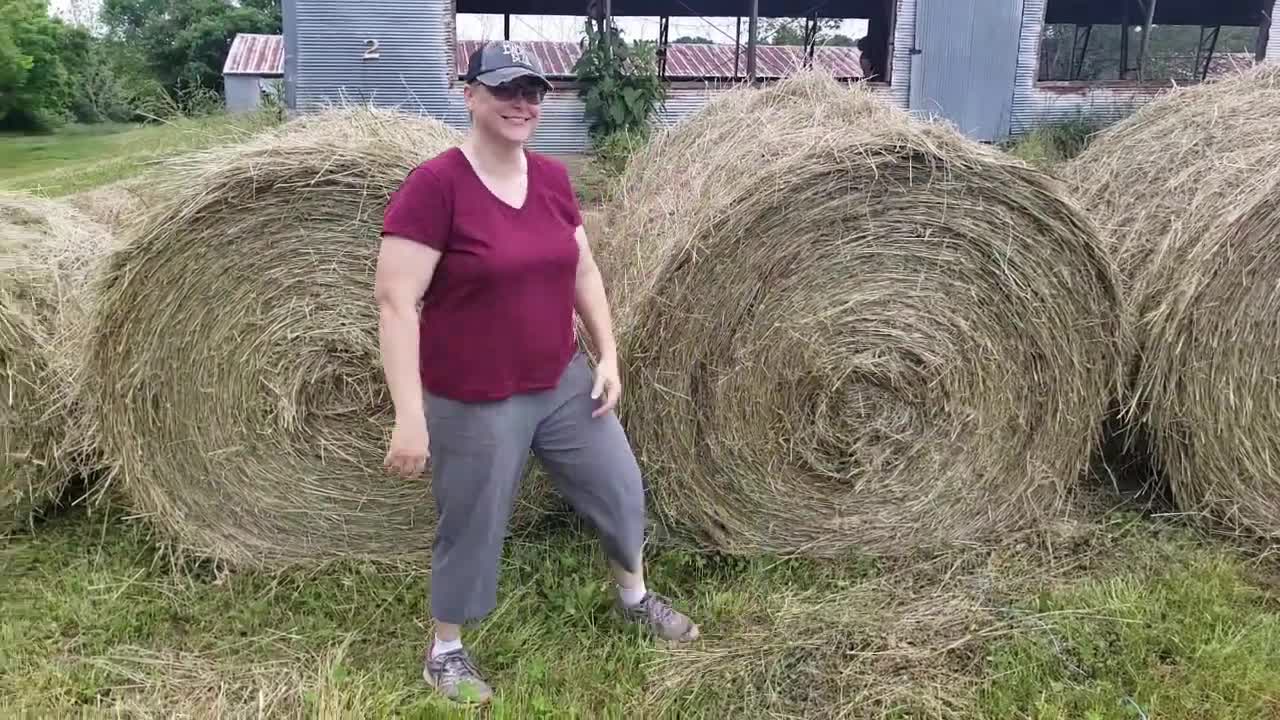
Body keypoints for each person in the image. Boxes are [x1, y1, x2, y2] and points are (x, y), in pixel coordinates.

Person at [373, 41, 700, 705]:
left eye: (532, 91)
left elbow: (582, 269)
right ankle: (445, 650)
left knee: (619, 487)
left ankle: (634, 596)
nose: (521, 102)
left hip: (561, 381)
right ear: (470, 95)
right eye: (504, 89)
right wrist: (410, 415)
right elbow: (396, 301)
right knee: (472, 522)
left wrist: (607, 355)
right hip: (474, 396)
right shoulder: (435, 187)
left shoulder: (551, 178)